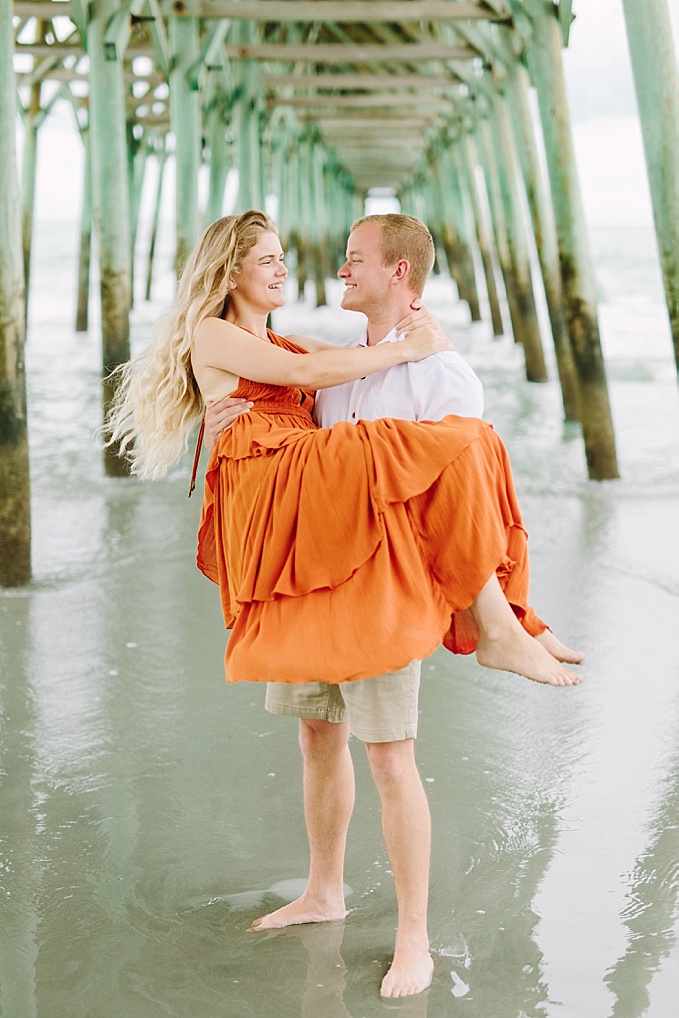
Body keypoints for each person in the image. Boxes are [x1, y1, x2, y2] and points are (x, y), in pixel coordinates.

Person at [107, 210, 583, 999]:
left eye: (286, 256)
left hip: (351, 553)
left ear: (396, 273)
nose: (290, 269)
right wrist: (397, 347)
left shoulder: (330, 353)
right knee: (315, 739)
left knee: (463, 441)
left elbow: (321, 364)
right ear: (229, 272)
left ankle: (414, 936)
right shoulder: (220, 333)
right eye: (266, 259)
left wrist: (408, 348)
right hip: (294, 542)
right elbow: (303, 379)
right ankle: (322, 890)